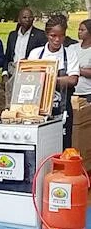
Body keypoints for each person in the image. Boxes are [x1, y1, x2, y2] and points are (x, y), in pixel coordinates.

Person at [29, 15, 79, 149]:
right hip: (38, 110)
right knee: (41, 145)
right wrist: (59, 79)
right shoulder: (35, 54)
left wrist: (46, 78)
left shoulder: (70, 53)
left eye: (61, 36)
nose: (57, 40)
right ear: (46, 34)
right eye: (53, 35)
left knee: (63, 145)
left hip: (62, 109)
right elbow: (28, 79)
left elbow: (73, 80)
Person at [3, 7, 47, 84]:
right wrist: (4, 73)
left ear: (33, 19)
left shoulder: (40, 35)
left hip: (30, 75)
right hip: (12, 74)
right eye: (24, 17)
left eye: (30, 17)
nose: (27, 19)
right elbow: (7, 56)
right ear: (19, 19)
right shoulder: (13, 35)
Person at [72, 19, 91, 101]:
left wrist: (74, 69)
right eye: (79, 29)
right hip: (72, 91)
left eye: (82, 30)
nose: (79, 32)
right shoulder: (72, 48)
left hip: (88, 93)